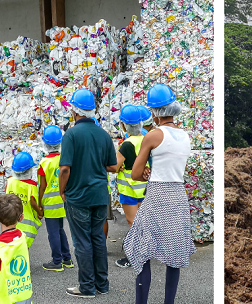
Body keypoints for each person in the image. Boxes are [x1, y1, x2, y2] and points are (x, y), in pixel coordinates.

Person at [123, 84, 195, 304]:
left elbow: (135, 173)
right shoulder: (185, 136)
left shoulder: (153, 136)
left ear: (154, 113)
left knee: (141, 249)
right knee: (174, 254)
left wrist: (145, 173)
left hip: (157, 196)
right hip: (178, 196)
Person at [59, 88, 118, 298]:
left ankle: (86, 287)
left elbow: (65, 168)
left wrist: (61, 190)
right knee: (98, 239)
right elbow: (113, 166)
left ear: (74, 111)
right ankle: (102, 284)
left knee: (82, 242)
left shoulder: (71, 135)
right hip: (100, 195)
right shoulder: (103, 135)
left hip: (78, 197)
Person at [113, 105, 148, 268]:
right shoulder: (145, 140)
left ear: (123, 125)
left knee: (133, 222)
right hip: (144, 188)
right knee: (141, 222)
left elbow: (114, 166)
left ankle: (135, 257)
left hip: (129, 190)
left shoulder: (127, 144)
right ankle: (143, 252)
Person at [38, 125, 74, 271]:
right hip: (63, 200)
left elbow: (42, 186)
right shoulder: (65, 158)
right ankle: (67, 259)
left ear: (45, 143)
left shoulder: (44, 163)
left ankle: (57, 261)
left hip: (50, 204)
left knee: (53, 232)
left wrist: (40, 204)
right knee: (60, 230)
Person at [5, 152, 43, 248]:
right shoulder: (32, 185)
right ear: (29, 170)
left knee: (13, 248)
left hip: (10, 222)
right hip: (27, 226)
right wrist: (40, 212)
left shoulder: (10, 181)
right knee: (24, 250)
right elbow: (33, 202)